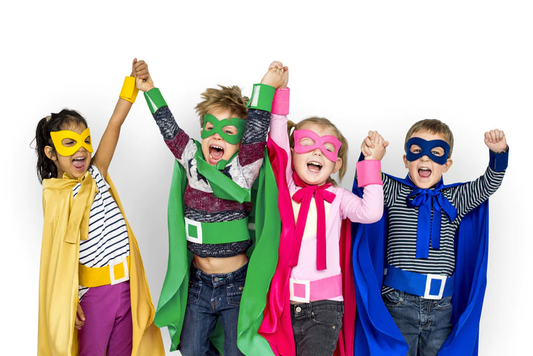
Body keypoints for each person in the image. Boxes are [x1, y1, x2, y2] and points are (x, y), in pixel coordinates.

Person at [134, 60, 286, 355]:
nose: (217, 136)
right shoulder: (192, 160)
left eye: (228, 131)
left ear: (239, 140)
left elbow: (256, 133)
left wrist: (266, 86)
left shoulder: (244, 169)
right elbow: (169, 130)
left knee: (235, 350)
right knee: (190, 350)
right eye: (211, 129)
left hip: (235, 286)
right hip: (198, 283)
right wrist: (150, 90)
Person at [35, 59, 165, 356]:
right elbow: (59, 257)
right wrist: (70, 300)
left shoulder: (97, 173)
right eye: (69, 143)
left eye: (85, 141)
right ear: (51, 152)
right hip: (92, 297)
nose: (81, 149)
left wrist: (133, 82)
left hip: (126, 287)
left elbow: (114, 124)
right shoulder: (55, 196)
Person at [259, 62, 386, 356]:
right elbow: (276, 143)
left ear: (336, 163)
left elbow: (371, 213)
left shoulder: (339, 198)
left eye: (327, 149)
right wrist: (280, 92)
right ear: (293, 153)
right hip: (282, 303)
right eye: (307, 143)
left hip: (326, 309)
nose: (317, 151)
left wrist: (371, 163)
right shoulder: (286, 186)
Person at [353, 119, 509, 356]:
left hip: (440, 307)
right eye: (417, 151)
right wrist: (371, 156)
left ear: (446, 164)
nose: (425, 159)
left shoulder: (456, 198)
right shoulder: (395, 192)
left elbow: (488, 185)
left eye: (435, 153)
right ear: (406, 160)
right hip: (398, 302)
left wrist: (499, 154)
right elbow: (365, 179)